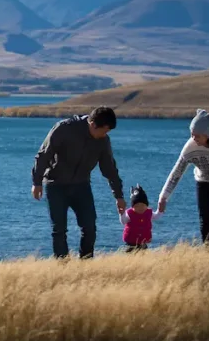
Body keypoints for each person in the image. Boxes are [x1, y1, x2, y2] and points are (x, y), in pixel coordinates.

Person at [31, 107, 126, 259]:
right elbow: (43, 155)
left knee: (89, 227)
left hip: (81, 186)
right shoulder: (64, 128)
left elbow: (110, 170)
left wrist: (119, 196)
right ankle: (62, 265)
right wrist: (37, 182)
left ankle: (86, 262)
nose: (105, 135)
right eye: (104, 131)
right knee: (59, 229)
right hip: (55, 185)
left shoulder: (103, 141)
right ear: (93, 124)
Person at [157, 109, 209, 243]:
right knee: (204, 218)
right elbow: (176, 173)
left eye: (197, 135)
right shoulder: (189, 149)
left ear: (207, 134)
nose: (193, 138)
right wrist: (163, 197)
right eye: (191, 134)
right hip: (203, 183)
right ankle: (208, 249)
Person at [119, 184, 162, 252]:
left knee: (142, 257)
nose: (140, 208)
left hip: (143, 242)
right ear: (132, 207)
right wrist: (122, 214)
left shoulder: (148, 213)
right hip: (131, 243)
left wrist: (160, 211)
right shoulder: (130, 214)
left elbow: (156, 216)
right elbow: (123, 221)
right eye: (137, 206)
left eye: (142, 205)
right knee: (130, 257)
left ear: (146, 205)